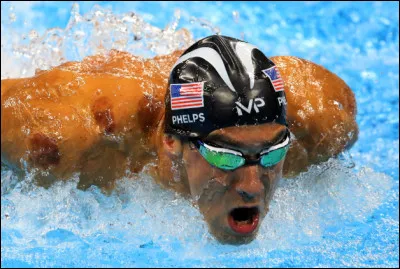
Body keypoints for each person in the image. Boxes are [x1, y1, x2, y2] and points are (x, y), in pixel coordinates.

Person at [1, 35, 358, 244]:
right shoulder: (66, 138)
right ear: (172, 141)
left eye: (271, 153)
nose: (252, 186)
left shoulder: (320, 123)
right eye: (226, 157)